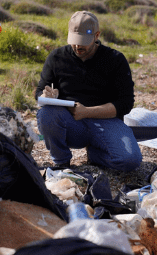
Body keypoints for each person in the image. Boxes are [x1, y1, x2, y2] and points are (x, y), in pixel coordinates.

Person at [34, 12, 141, 171]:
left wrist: (87, 112)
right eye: (74, 41)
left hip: (106, 121)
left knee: (130, 162)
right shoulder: (56, 57)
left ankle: (96, 155)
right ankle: (61, 161)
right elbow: (39, 92)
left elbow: (125, 103)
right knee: (46, 114)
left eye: (83, 42)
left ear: (97, 35)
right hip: (71, 123)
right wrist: (46, 95)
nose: (77, 47)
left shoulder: (115, 59)